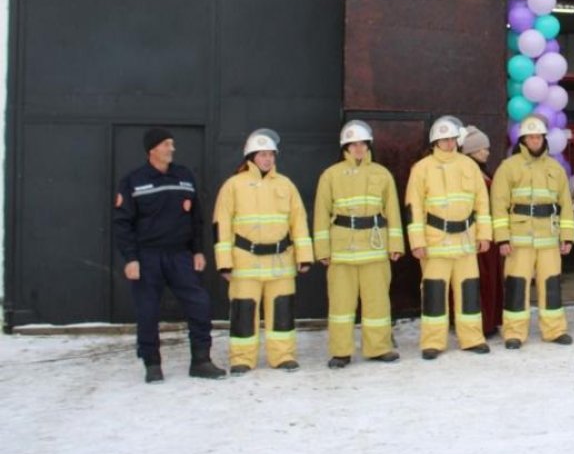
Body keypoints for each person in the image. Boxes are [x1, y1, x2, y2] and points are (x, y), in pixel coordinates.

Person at [113, 128, 226, 383]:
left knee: (199, 304)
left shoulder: (184, 176)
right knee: (147, 311)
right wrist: (131, 258)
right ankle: (152, 364)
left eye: (172, 144)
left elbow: (196, 218)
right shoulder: (133, 180)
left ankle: (201, 360)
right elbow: (122, 224)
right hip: (147, 257)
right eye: (166, 144)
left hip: (180, 255)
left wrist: (197, 250)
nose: (171, 148)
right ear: (152, 149)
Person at [213, 129, 314, 373]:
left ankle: (282, 356)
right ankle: (242, 358)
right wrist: (224, 263)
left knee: (282, 311)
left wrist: (305, 257)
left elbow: (299, 222)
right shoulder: (233, 185)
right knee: (243, 312)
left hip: (280, 262)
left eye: (271, 154)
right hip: (245, 263)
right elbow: (221, 225)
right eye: (262, 155)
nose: (267, 159)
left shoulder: (285, 185)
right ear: (251, 157)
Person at [313, 120, 405, 369]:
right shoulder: (331, 175)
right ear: (345, 147)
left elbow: (393, 212)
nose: (358, 149)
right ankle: (340, 351)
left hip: (375, 249)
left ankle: (378, 348)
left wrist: (395, 244)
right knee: (341, 306)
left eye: (362, 144)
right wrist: (322, 250)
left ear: (368, 145)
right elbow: (321, 214)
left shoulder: (381, 174)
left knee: (377, 303)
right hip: (342, 251)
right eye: (353, 144)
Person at [405, 115, 493, 359]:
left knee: (469, 294)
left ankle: (472, 338)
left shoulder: (469, 165)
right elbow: (413, 208)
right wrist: (417, 242)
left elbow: (482, 204)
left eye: (452, 139)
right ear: (435, 141)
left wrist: (484, 234)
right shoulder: (422, 169)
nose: (448, 143)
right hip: (435, 244)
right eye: (443, 140)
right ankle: (432, 342)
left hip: (465, 242)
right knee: (434, 294)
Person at [490, 115, 574, 349]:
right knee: (517, 286)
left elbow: (565, 205)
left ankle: (554, 330)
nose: (535, 140)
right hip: (519, 241)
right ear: (523, 140)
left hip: (548, 239)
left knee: (551, 286)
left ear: (544, 139)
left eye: (538, 136)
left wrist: (567, 237)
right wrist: (502, 239)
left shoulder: (555, 169)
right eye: (530, 137)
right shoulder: (508, 167)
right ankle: (514, 333)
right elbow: (498, 205)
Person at [461, 125, 504, 337]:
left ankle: (489, 319)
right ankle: (484, 322)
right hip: (479, 235)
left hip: (488, 233)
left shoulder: (480, 171)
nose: (486, 152)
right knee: (482, 280)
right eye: (481, 150)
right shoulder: (470, 173)